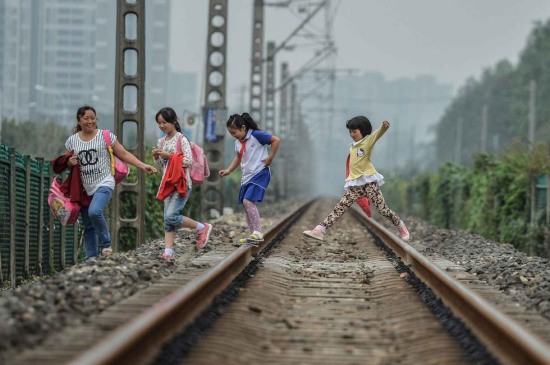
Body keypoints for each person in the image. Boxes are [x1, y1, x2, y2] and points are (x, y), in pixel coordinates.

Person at [65, 105, 158, 259]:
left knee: (94, 211)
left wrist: (143, 165)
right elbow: (66, 161)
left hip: (104, 182)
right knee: (88, 225)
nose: (90, 121)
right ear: (79, 121)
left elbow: (123, 153)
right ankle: (91, 258)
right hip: (83, 187)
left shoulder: (106, 136)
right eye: (86, 118)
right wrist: (70, 162)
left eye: (93, 118)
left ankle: (106, 244)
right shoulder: (72, 141)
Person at [303, 116, 410, 241]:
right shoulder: (353, 146)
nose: (352, 134)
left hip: (369, 182)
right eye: (350, 132)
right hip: (355, 184)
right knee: (341, 207)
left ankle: (400, 226)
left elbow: (377, 135)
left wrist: (383, 126)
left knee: (382, 209)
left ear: (363, 130)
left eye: (355, 131)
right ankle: (320, 230)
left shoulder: (368, 141)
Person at [152, 107, 213, 259]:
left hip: (181, 183)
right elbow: (161, 166)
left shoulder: (181, 139)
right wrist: (156, 157)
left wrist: (169, 155)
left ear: (173, 121)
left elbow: (188, 160)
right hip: (167, 184)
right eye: (159, 123)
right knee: (168, 219)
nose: (161, 126)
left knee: (171, 216)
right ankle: (168, 252)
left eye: (164, 122)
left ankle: (202, 227)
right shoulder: (161, 141)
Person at [219, 113, 280, 245]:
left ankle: (258, 232)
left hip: (260, 173)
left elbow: (275, 140)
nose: (233, 135)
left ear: (243, 128)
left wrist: (270, 158)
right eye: (230, 133)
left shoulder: (256, 135)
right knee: (246, 206)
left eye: (234, 132)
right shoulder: (238, 143)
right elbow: (238, 158)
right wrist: (229, 170)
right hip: (247, 176)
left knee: (248, 201)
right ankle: (253, 234)